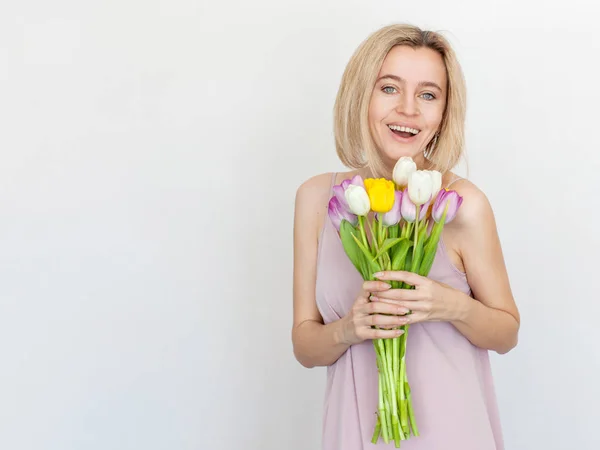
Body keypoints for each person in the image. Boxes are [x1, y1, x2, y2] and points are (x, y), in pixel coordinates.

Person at [291, 24, 520, 450]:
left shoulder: (461, 204)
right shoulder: (318, 199)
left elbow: (507, 333)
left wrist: (447, 304)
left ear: (444, 113)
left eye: (428, 94)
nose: (409, 109)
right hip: (353, 431)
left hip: (451, 433)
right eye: (390, 88)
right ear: (360, 95)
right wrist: (349, 329)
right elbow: (305, 346)